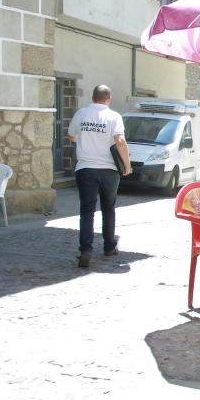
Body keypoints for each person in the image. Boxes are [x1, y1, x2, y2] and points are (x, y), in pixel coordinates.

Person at [67, 85, 130, 268]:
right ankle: (109, 246)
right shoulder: (114, 116)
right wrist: (127, 165)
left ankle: (85, 251)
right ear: (108, 99)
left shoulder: (81, 114)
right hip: (109, 169)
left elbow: (72, 136)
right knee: (108, 208)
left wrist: (85, 137)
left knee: (87, 210)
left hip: (86, 168)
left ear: (93, 97)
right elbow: (120, 141)